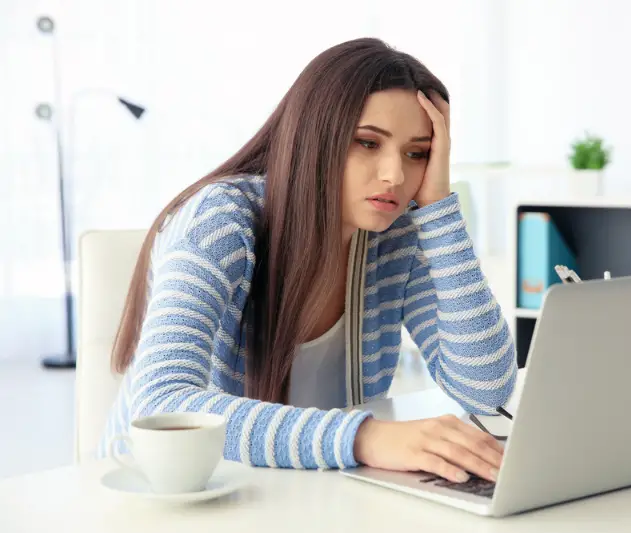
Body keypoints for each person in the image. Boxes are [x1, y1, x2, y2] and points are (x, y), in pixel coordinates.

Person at [99, 37, 517, 484]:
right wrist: (366, 438)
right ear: (315, 136)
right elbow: (160, 404)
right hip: (172, 491)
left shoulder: (396, 236)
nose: (395, 175)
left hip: (306, 489)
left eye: (417, 153)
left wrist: (438, 209)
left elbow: (486, 389)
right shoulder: (223, 222)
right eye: (367, 143)